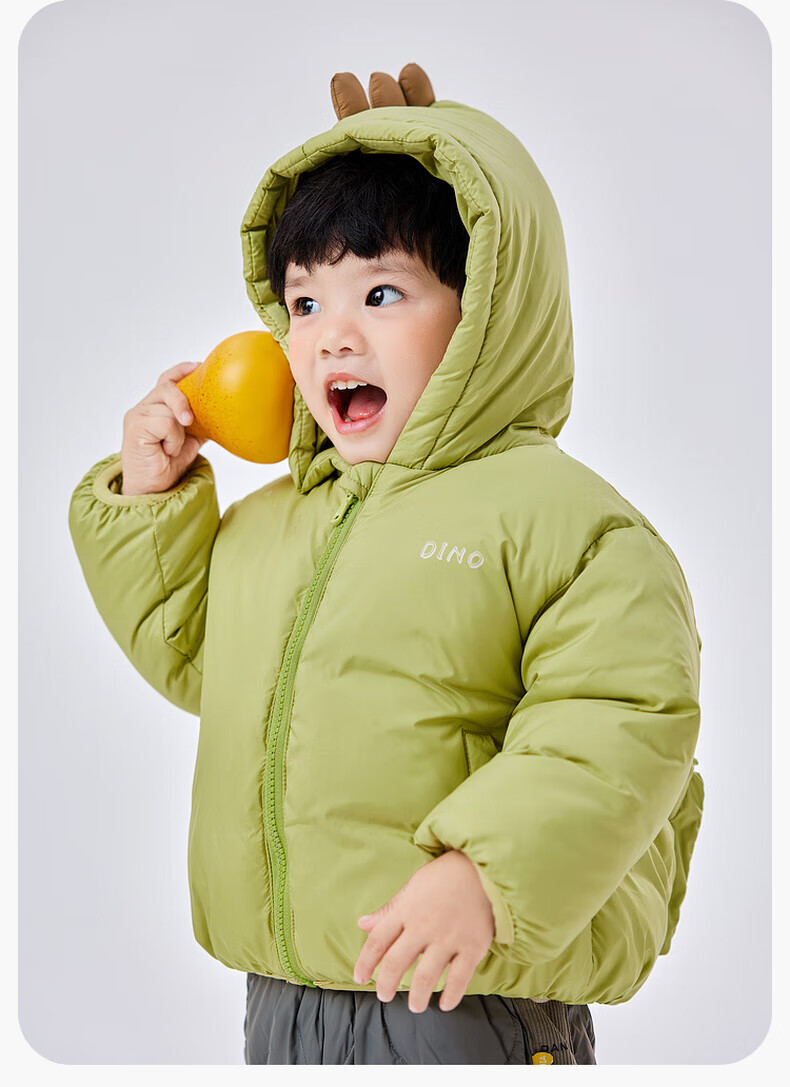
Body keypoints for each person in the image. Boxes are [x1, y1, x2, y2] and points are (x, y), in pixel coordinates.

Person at [68, 64, 704, 1065]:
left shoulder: (567, 526)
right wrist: (151, 500)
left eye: (380, 292)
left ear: (486, 308)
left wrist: (486, 872)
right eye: (303, 303)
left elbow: (619, 720)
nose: (333, 337)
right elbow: (203, 660)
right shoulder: (276, 522)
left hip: (464, 994)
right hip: (283, 1001)